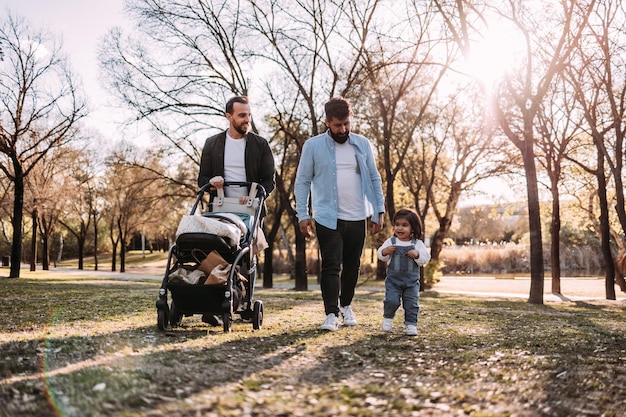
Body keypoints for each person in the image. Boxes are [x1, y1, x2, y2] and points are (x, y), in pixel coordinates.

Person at [295, 96, 385, 331]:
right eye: (337, 125)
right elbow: (303, 181)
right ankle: (331, 313)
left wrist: (379, 210)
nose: (343, 129)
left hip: (357, 216)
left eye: (346, 123)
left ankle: (346, 306)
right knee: (331, 265)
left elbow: (375, 178)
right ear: (327, 122)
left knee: (353, 265)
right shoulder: (313, 146)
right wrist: (302, 214)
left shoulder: (363, 144)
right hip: (327, 216)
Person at [198, 96, 275, 325]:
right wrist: (212, 181)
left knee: (244, 257)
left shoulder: (260, 145)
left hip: (249, 210)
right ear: (228, 116)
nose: (247, 120)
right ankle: (213, 301)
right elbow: (202, 177)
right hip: (220, 211)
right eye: (242, 115)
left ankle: (240, 301)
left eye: (249, 115)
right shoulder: (212, 144)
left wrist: (255, 192)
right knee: (217, 255)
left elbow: (269, 180)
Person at [377, 208, 430, 336]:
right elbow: (380, 254)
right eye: (397, 225)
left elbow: (425, 258)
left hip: (411, 282)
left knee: (411, 303)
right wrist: (385, 251)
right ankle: (388, 319)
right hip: (393, 281)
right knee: (391, 301)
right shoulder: (391, 242)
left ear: (413, 228)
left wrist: (417, 255)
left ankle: (411, 324)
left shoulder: (417, 243)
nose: (400, 228)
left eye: (404, 225)